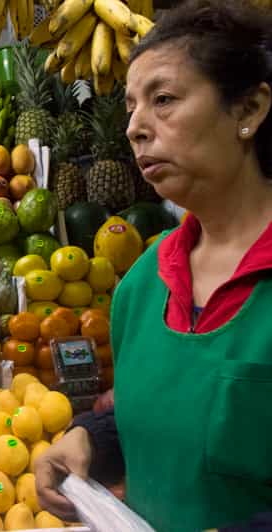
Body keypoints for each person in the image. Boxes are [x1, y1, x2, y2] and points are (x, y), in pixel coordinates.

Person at [35, 1, 272, 531]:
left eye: (163, 100)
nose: (136, 128)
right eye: (131, 108)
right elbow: (172, 412)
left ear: (249, 110)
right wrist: (90, 439)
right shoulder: (144, 280)